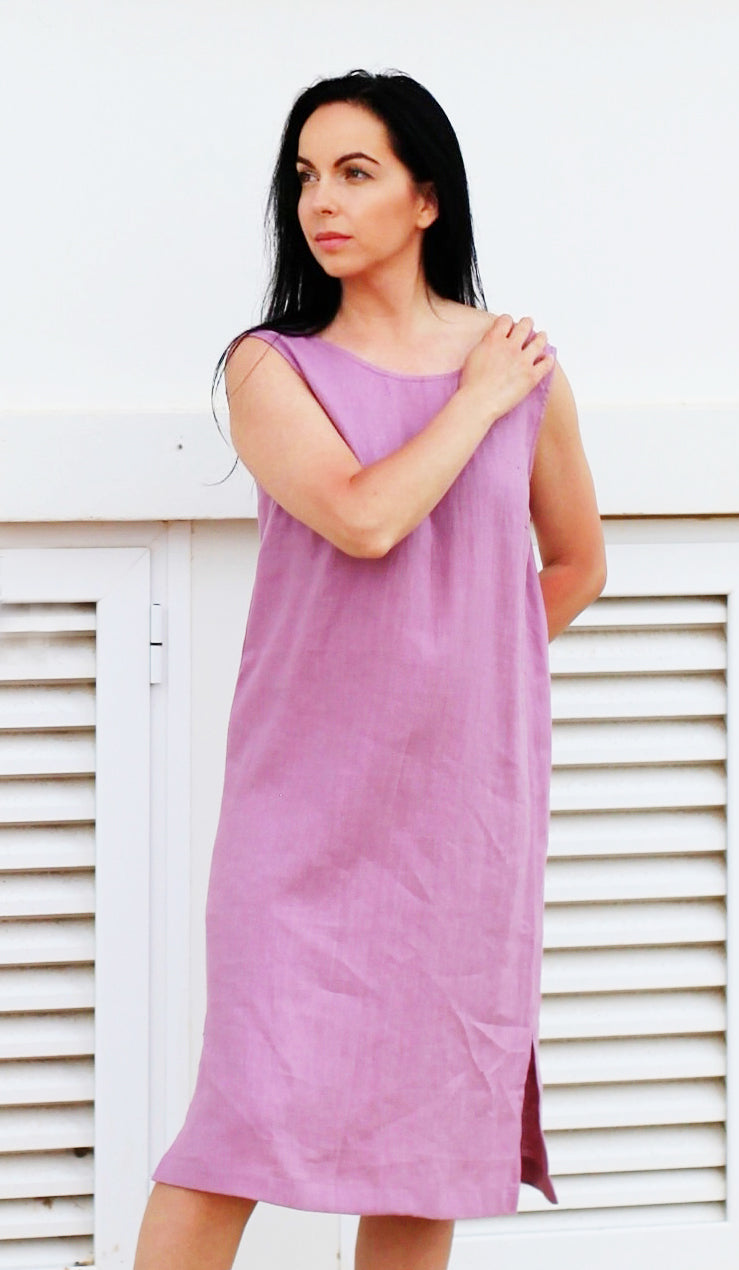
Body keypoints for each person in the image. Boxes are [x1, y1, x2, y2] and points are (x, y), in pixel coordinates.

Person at [133, 68, 606, 1270]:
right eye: (305, 177)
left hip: (458, 822)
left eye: (355, 173)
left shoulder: (522, 367)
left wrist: (468, 673)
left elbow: (576, 563)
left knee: (425, 1148)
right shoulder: (269, 367)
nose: (321, 203)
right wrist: (476, 398)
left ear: (425, 197)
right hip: (301, 812)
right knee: (231, 1135)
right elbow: (362, 516)